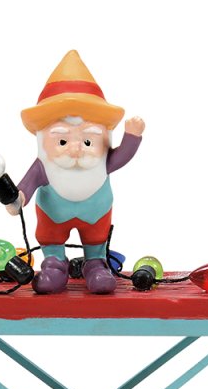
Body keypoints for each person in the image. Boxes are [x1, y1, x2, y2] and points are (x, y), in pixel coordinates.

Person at [12, 50, 145, 294]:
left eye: (88, 140)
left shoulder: (102, 162)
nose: (75, 150)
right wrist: (18, 199)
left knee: (96, 240)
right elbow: (27, 185)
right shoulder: (44, 165)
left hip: (96, 211)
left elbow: (122, 156)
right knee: (51, 238)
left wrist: (132, 136)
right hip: (53, 213)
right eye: (62, 141)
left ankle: (96, 265)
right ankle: (54, 265)